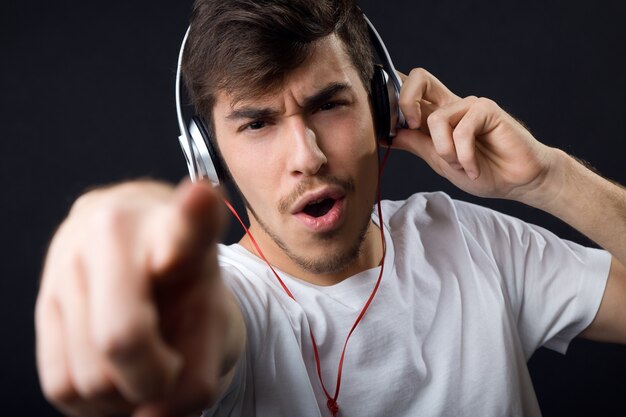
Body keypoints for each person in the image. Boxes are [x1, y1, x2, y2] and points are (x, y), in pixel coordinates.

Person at [35, 0, 626, 416]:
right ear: (207, 158)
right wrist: (146, 307)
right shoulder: (226, 299)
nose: (307, 156)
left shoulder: (468, 241)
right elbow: (203, 337)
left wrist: (549, 178)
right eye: (258, 123)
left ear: (382, 109)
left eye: (328, 105)